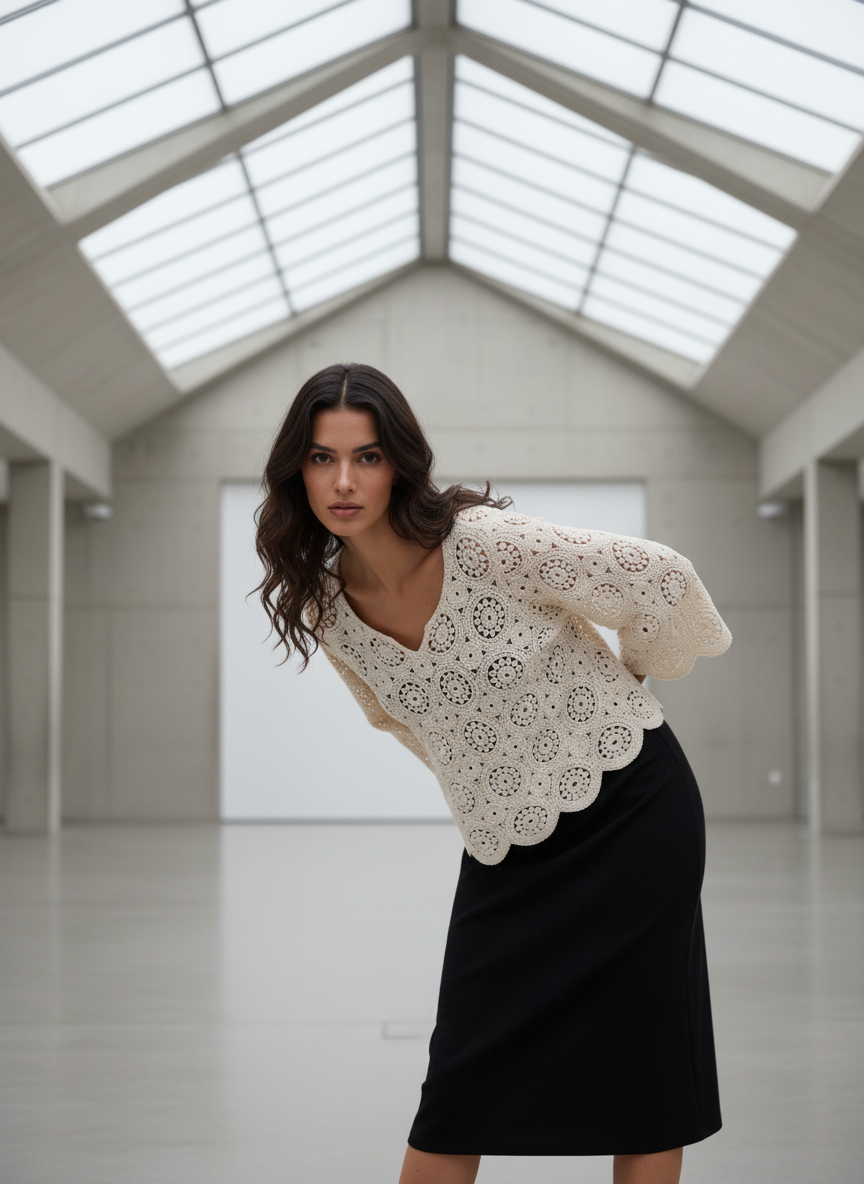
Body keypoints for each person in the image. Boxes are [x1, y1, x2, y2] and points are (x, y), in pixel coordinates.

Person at [255, 363, 731, 1184]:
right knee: (460, 1085)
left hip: (633, 812)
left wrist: (631, 682)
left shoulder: (483, 544)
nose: (342, 480)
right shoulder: (322, 607)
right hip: (507, 848)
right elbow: (398, 718)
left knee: (646, 1062)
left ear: (399, 461)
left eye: (366, 457)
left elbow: (662, 578)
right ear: (295, 469)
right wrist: (492, 776)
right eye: (321, 458)